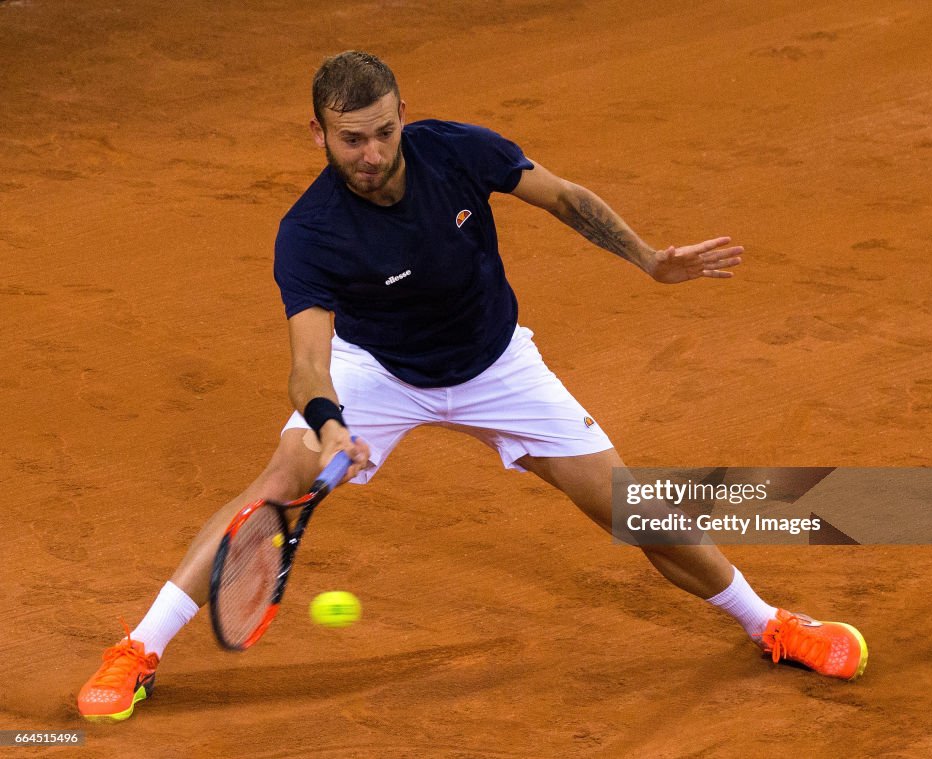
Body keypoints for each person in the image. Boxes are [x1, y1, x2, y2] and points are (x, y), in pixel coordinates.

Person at [77, 51, 867, 722]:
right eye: (351, 139)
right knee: (279, 480)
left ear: (402, 117)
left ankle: (772, 624)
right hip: (376, 372)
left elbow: (565, 198)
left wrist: (649, 258)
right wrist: (329, 424)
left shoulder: (454, 151)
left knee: (629, 505)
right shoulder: (310, 232)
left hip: (496, 365)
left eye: (385, 131)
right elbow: (310, 364)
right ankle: (137, 648)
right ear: (317, 134)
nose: (373, 153)